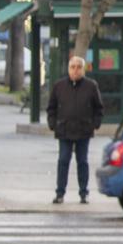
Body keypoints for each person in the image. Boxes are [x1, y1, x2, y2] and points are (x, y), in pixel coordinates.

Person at [44, 54, 107, 205]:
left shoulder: (91, 86)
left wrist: (95, 124)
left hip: (83, 130)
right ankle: (60, 193)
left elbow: (99, 108)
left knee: (82, 162)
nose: (75, 70)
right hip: (64, 130)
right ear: (68, 69)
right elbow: (51, 107)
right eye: (72, 67)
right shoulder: (59, 86)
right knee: (63, 160)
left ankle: (83, 193)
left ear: (83, 69)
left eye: (79, 67)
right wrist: (53, 123)